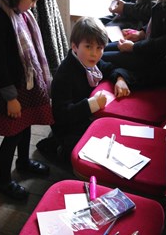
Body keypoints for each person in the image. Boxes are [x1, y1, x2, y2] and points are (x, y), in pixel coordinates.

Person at [0, 0, 53, 201]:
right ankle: (3, 180)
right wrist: (11, 97)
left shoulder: (18, 11)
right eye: (33, 0)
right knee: (12, 133)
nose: (33, 5)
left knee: (27, 124)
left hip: (25, 82)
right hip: (8, 87)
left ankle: (23, 162)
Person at [37, 16, 131, 165]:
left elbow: (108, 68)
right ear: (74, 47)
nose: (95, 53)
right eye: (88, 47)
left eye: (99, 48)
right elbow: (62, 114)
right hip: (67, 127)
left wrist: (120, 79)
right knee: (87, 154)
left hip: (84, 117)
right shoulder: (65, 74)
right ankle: (57, 148)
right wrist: (92, 104)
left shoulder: (91, 62)